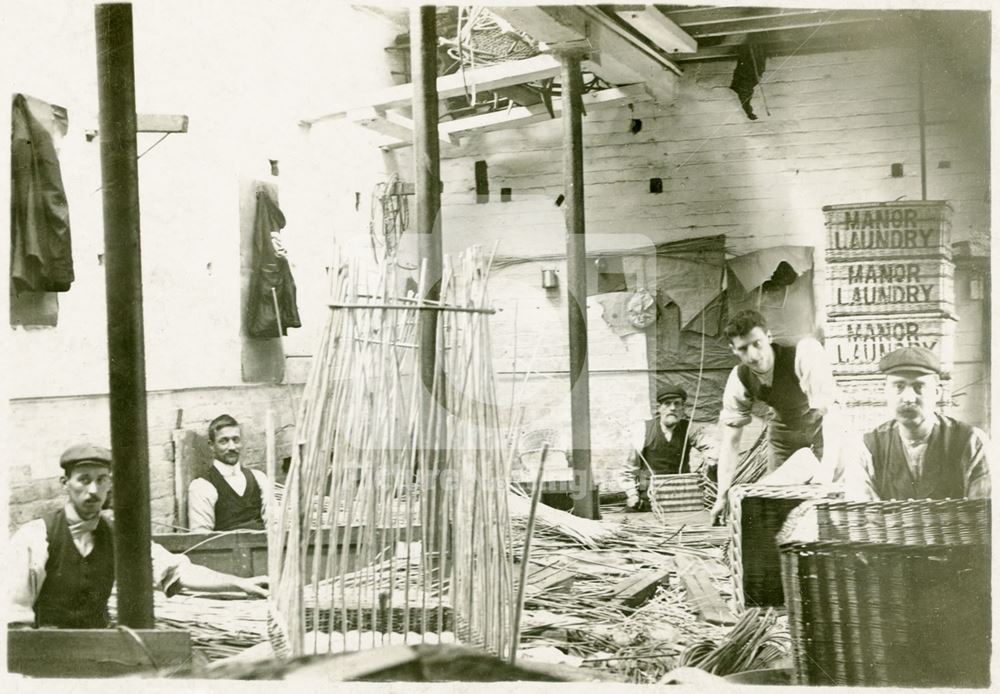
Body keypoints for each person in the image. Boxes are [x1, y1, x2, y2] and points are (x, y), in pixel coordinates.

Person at [7, 444, 269, 628]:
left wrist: (239, 583)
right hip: (45, 657)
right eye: (83, 480)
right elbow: (14, 622)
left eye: (101, 480)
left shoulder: (116, 535)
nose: (93, 490)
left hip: (100, 651)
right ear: (65, 484)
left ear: (110, 484)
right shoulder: (35, 538)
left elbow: (175, 571)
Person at [711, 310, 840, 523]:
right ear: (733, 349)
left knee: (826, 499)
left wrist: (826, 469)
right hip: (784, 432)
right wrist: (722, 496)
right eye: (743, 349)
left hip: (822, 426)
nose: (753, 355)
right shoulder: (739, 378)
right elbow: (730, 442)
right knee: (776, 502)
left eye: (757, 343)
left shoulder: (804, 354)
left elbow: (831, 414)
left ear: (769, 337)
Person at [844, 346, 991, 500]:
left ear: (937, 392)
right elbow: (864, 517)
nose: (908, 398)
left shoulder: (970, 441)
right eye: (899, 387)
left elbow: (984, 514)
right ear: (885, 392)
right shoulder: (867, 448)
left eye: (919, 387)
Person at [621, 384, 717, 512]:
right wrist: (632, 495)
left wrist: (709, 465)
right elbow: (628, 469)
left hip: (682, 496)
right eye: (667, 404)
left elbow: (713, 448)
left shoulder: (689, 429)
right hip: (649, 498)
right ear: (659, 408)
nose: (673, 408)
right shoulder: (643, 430)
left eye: (677, 404)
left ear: (683, 408)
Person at [188, 414, 269, 531]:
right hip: (225, 548)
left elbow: (274, 522)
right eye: (224, 441)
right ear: (211, 445)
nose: (232, 447)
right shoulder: (202, 486)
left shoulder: (259, 478)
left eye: (235, 440)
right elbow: (201, 536)